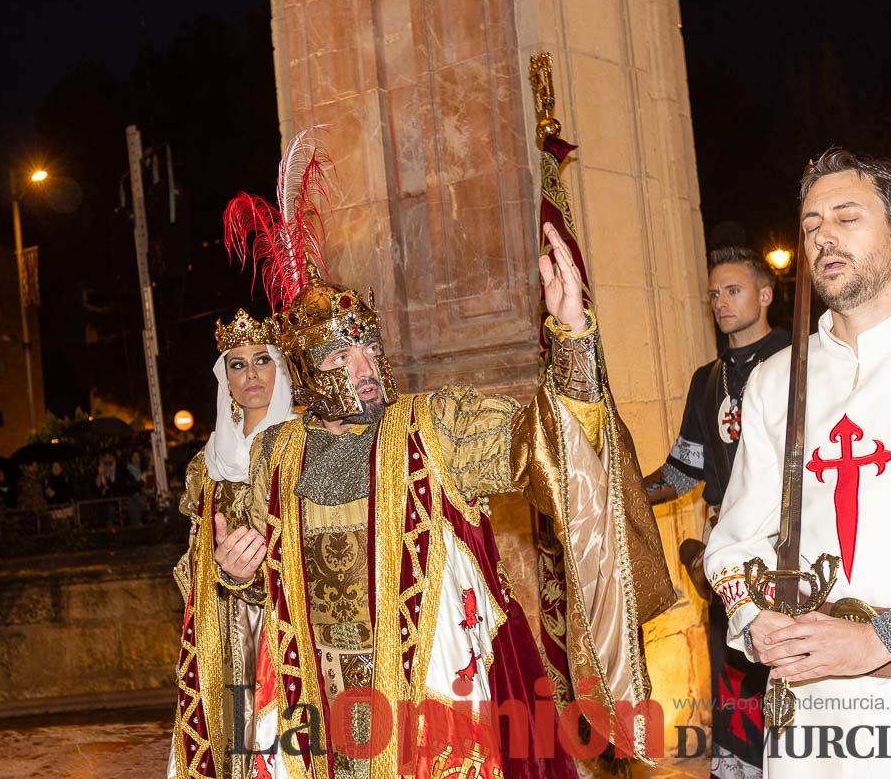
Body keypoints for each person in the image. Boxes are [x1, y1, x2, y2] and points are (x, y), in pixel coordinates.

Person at [209, 132, 674, 778]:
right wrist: (236, 574)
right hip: (315, 696)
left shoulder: (436, 423)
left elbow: (544, 444)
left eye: (370, 349)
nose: (366, 366)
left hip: (430, 689)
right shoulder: (274, 454)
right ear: (309, 374)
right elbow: (259, 586)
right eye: (342, 356)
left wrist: (571, 336)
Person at [706, 148, 891, 777]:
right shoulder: (778, 379)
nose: (823, 235)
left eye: (847, 217)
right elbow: (738, 537)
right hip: (810, 719)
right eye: (810, 225)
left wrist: (882, 640)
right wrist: (754, 620)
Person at [642, 247, 789, 779]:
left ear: (765, 295)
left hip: (791, 551)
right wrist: (618, 492)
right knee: (738, 671)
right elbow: (683, 471)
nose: (720, 302)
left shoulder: (803, 357)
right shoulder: (707, 379)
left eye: (733, 290)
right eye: (714, 293)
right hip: (729, 557)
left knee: (791, 669)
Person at [168, 309, 296, 779]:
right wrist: (212, 574)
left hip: (286, 620)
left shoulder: (303, 444)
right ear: (226, 378)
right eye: (237, 364)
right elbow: (194, 551)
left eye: (262, 359)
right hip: (222, 623)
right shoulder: (208, 462)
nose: (251, 374)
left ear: (281, 367)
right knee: (227, 740)